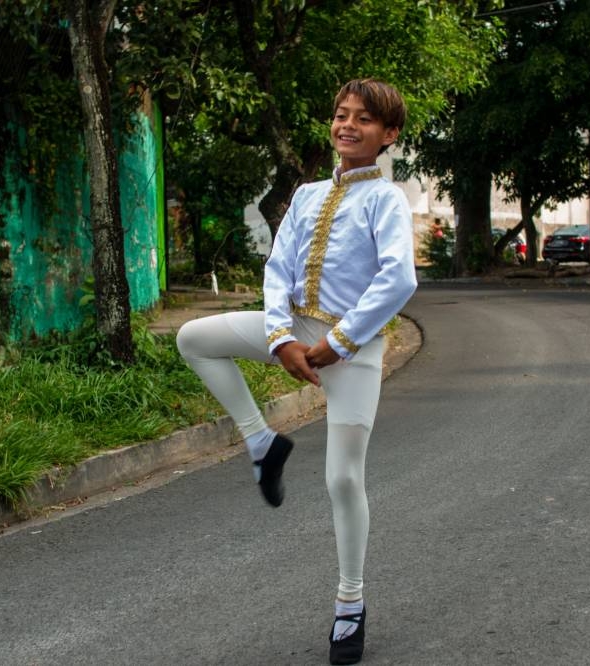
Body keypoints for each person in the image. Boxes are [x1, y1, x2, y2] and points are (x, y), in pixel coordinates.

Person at [177, 78, 417, 665]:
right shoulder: (307, 194)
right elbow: (278, 267)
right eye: (341, 114)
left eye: (364, 119)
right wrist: (281, 336)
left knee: (342, 479)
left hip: (353, 350)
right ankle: (262, 443)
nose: (348, 125)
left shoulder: (385, 200)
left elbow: (400, 278)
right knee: (194, 338)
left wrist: (339, 341)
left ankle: (349, 604)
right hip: (294, 332)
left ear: (388, 135)